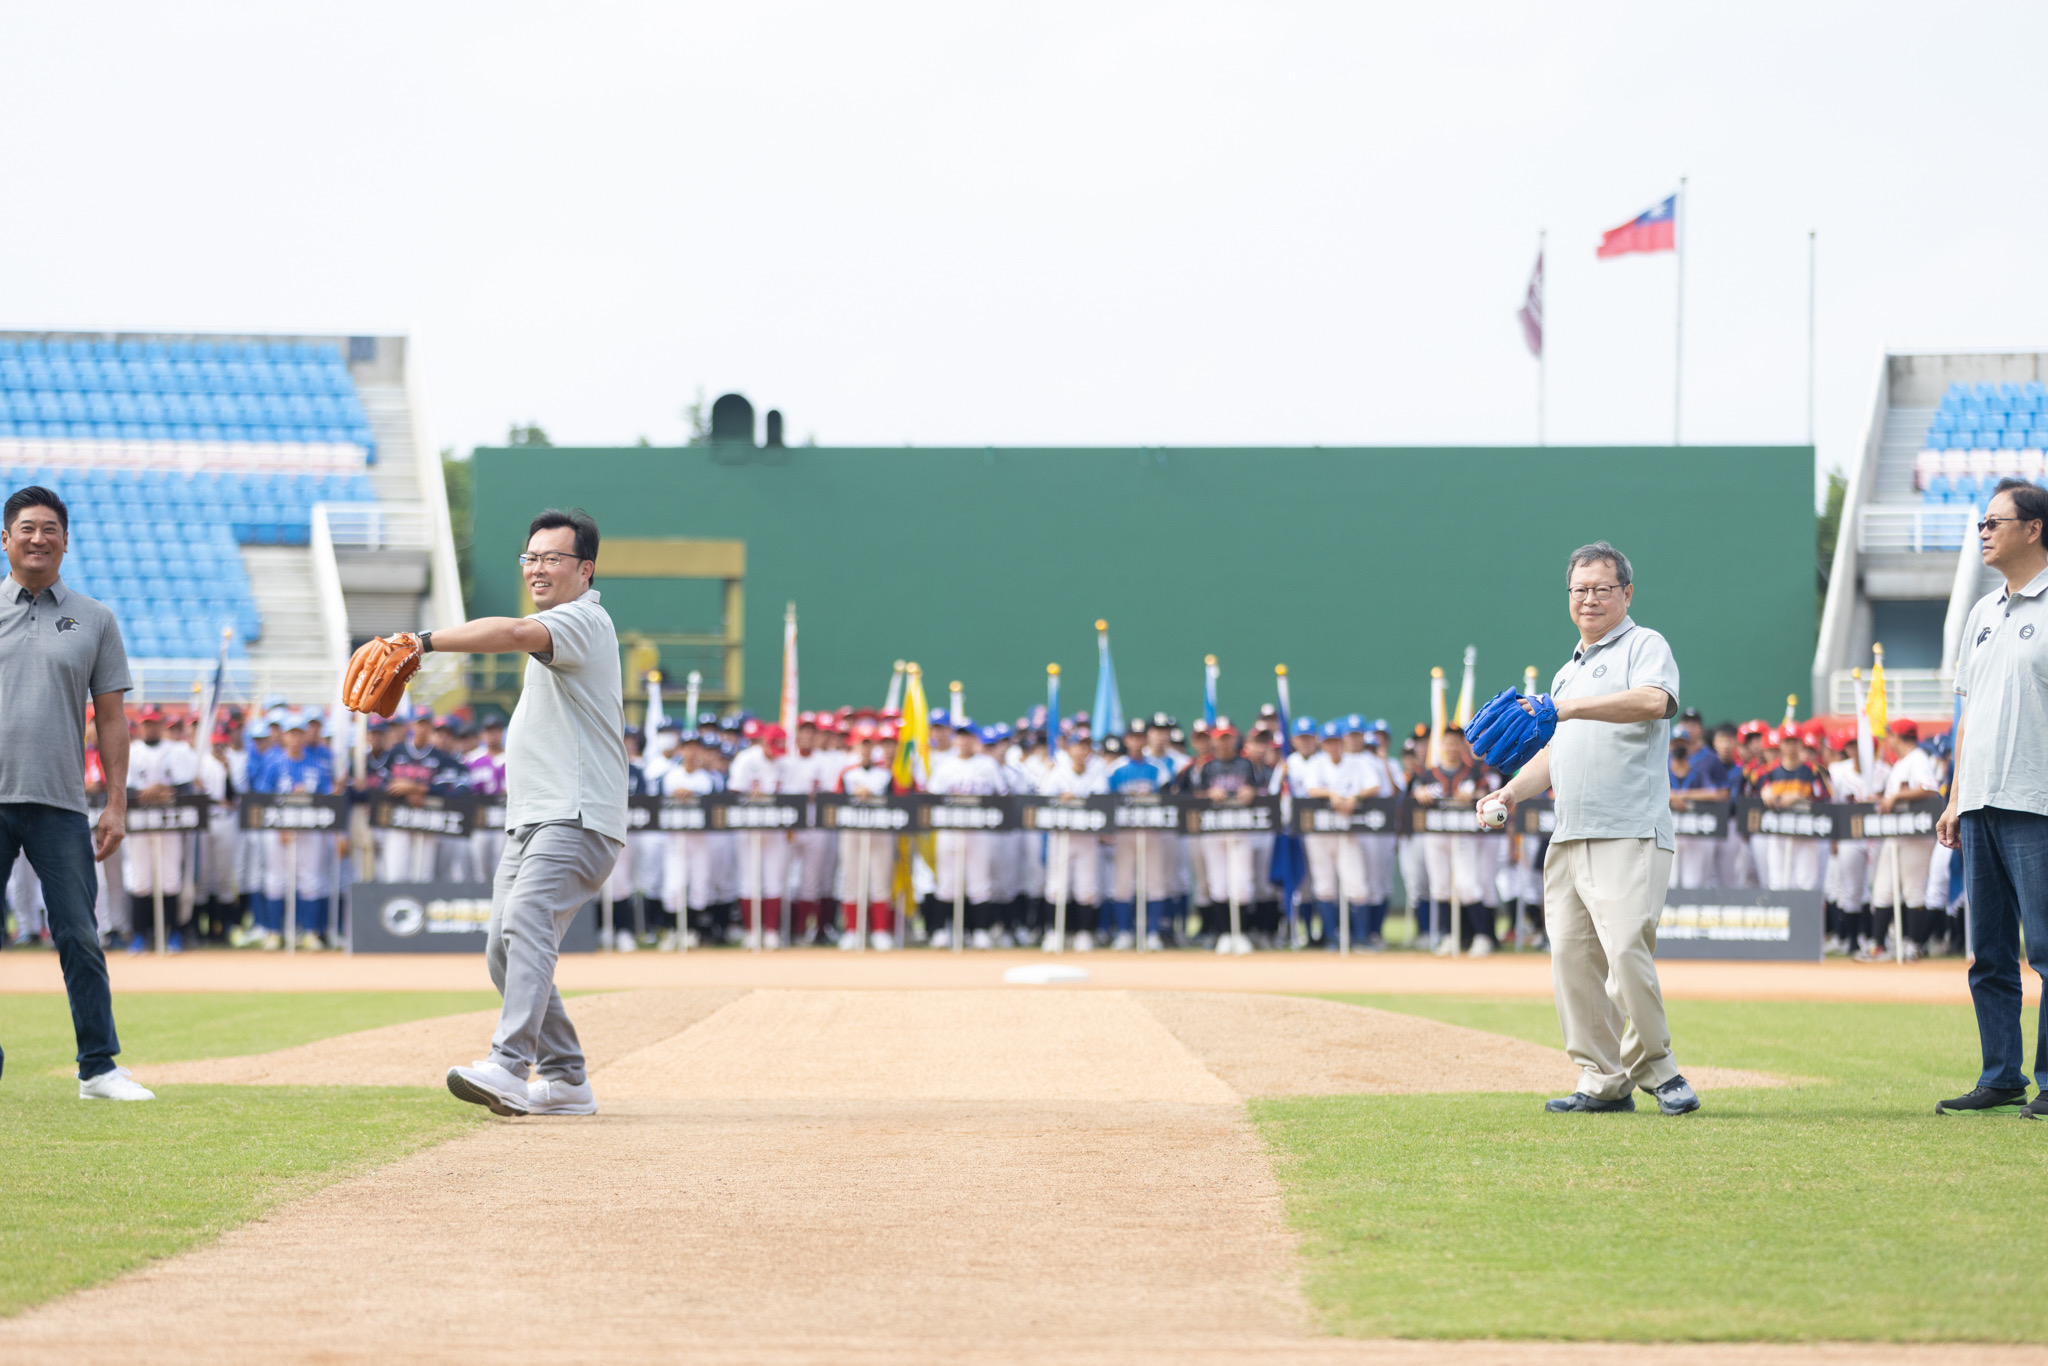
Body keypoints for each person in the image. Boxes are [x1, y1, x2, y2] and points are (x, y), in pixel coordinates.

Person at [1478, 540, 1699, 1116]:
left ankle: (1661, 1069)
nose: (1591, 599)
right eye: (1580, 589)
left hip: (1628, 828)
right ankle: (1602, 1080)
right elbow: (1557, 750)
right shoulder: (1566, 670)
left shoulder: (1644, 645)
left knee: (1626, 950)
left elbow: (1656, 701)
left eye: (1603, 588)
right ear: (1568, 598)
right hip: (1570, 833)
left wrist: (1565, 708)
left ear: (1627, 593)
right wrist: (1509, 790)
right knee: (1573, 964)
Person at [435, 508, 628, 1118]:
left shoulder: (583, 620)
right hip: (536, 818)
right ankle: (567, 1080)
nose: (538, 567)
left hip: (574, 814)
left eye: (553, 558)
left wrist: (422, 642)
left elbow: (517, 632)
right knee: (502, 945)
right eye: (530, 557)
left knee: (525, 922)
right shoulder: (560, 626)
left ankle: (510, 1065)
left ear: (585, 570)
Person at [0, 484, 153, 1099]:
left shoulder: (94, 619)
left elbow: (112, 720)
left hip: (60, 801)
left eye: (50, 529)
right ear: (5, 539)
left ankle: (98, 1068)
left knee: (80, 937)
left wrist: (115, 802)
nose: (38, 538)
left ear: (66, 541)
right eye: (27, 528)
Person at [1934, 478, 2048, 1117]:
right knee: (1991, 954)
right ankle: (2001, 1075)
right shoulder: (1980, 613)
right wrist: (1955, 798)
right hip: (1978, 805)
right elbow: (1968, 714)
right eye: (1981, 522)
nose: (1982, 531)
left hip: (2039, 802)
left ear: (2033, 528)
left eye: (1994, 521)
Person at [123, 704, 199, 953]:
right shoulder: (132, 751)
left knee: (170, 879)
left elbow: (186, 787)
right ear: (141, 725)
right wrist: (151, 792)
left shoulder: (176, 750)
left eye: (154, 722)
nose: (150, 727)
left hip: (170, 821)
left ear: (161, 724)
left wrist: (162, 791)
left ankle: (174, 934)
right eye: (146, 722)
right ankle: (139, 936)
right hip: (139, 823)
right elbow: (125, 789)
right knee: (141, 879)